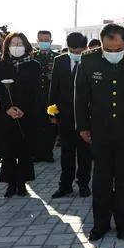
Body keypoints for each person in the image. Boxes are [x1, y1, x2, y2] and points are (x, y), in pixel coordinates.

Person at [75, 24, 124, 241]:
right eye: (107, 49)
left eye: (117, 49)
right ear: (101, 44)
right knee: (100, 179)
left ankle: (123, 224)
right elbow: (81, 96)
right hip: (99, 131)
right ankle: (100, 224)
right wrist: (82, 126)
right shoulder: (89, 60)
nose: (112, 53)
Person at [0, 32, 41, 198]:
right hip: (6, 114)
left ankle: (22, 183)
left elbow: (36, 91)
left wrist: (23, 109)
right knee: (9, 151)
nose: (17, 47)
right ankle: (10, 184)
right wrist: (8, 108)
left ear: (26, 46)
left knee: (24, 150)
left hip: (26, 114)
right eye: (13, 44)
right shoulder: (2, 65)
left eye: (20, 44)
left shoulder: (34, 65)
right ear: (7, 46)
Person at [49, 32, 92, 198]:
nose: (76, 54)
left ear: (85, 48)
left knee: (84, 154)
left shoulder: (91, 61)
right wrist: (52, 113)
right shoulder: (59, 61)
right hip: (65, 117)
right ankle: (65, 185)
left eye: (79, 51)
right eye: (73, 50)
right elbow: (54, 90)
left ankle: (83, 184)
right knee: (66, 153)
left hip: (86, 118)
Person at [32, 30, 58, 162]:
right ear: (37, 41)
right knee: (36, 124)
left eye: (46, 40)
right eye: (41, 40)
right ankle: (37, 152)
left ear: (51, 41)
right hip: (35, 97)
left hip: (52, 98)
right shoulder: (31, 56)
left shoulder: (57, 58)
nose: (43, 42)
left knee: (51, 125)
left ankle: (48, 152)